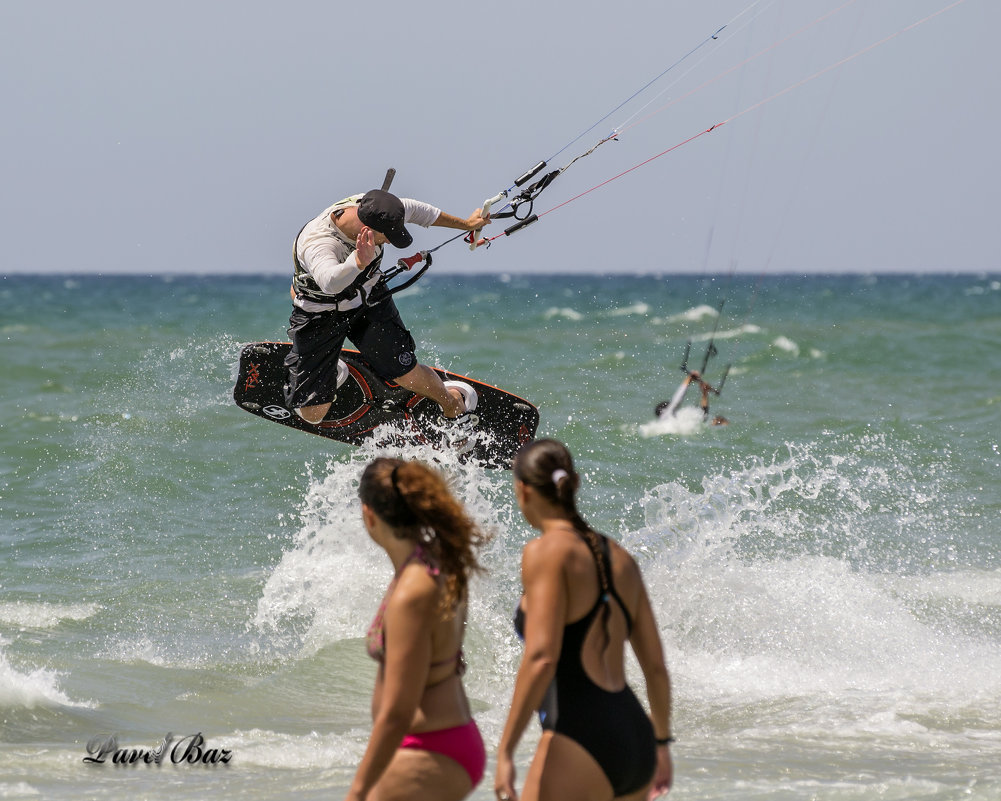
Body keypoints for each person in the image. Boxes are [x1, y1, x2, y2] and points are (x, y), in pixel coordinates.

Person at [495, 439, 675, 801]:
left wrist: (506, 752)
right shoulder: (621, 559)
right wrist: (661, 743)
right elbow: (655, 667)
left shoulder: (545, 552)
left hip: (580, 736)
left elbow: (542, 657)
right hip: (636, 739)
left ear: (523, 490)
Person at [284, 186, 489, 429]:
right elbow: (330, 282)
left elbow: (421, 212)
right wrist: (358, 262)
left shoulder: (378, 208)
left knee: (406, 373)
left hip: (368, 300)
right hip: (319, 314)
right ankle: (333, 371)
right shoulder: (319, 243)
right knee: (312, 414)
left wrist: (466, 224)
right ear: (366, 229)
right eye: (388, 237)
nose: (390, 241)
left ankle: (453, 403)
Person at [347, 457, 490, 801]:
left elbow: (398, 712)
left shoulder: (413, 589)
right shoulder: (437, 563)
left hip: (430, 746)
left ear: (369, 515)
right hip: (445, 740)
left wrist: (357, 790)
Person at [655, 370, 728, 426]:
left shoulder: (670, 421)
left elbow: (703, 417)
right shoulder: (667, 415)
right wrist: (689, 379)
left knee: (705, 418)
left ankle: (716, 423)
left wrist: (704, 393)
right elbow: (677, 399)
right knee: (716, 420)